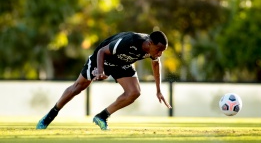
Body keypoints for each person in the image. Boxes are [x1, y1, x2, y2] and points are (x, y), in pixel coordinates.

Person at [36, 31, 172, 130]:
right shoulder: (129, 41)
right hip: (103, 58)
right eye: (159, 49)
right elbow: (102, 51)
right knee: (77, 88)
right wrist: (100, 71)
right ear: (150, 43)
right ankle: (50, 115)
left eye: (163, 51)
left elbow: (155, 64)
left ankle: (102, 116)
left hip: (122, 63)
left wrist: (158, 91)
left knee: (134, 92)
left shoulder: (153, 51)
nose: (160, 53)